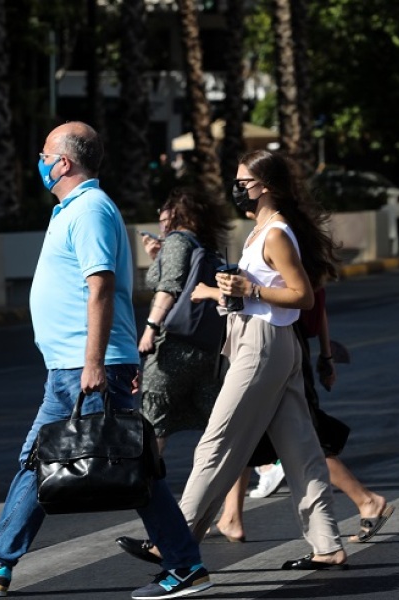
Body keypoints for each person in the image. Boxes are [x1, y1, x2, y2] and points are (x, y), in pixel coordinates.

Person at [0, 121, 212, 600]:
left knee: (111, 465)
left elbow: (101, 285)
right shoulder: (75, 209)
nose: (40, 162)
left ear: (63, 162)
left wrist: (93, 363)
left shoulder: (89, 210)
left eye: (46, 153)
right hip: (75, 364)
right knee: (65, 461)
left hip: (88, 365)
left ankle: (182, 563)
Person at [117, 149, 349, 570]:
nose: (237, 189)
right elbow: (254, 294)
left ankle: (174, 538)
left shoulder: (276, 233)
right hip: (263, 340)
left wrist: (249, 290)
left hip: (263, 346)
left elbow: (303, 296)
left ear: (267, 187)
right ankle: (327, 545)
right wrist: (226, 292)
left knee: (217, 442)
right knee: (300, 449)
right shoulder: (259, 231)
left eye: (244, 182)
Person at [215, 287, 395, 544]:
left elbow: (307, 299)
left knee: (305, 435)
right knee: (246, 429)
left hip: (280, 343)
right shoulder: (297, 250)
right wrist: (326, 354)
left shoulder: (283, 249)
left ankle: (366, 500)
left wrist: (213, 291)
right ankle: (231, 516)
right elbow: (317, 303)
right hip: (279, 342)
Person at [138, 187, 231, 455]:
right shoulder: (203, 246)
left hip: (174, 348)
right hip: (205, 349)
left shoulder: (178, 241)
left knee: (153, 423)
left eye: (163, 211)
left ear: (176, 213)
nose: (160, 218)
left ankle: (148, 489)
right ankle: (259, 469)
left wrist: (150, 328)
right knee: (218, 423)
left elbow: (169, 287)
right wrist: (158, 256)